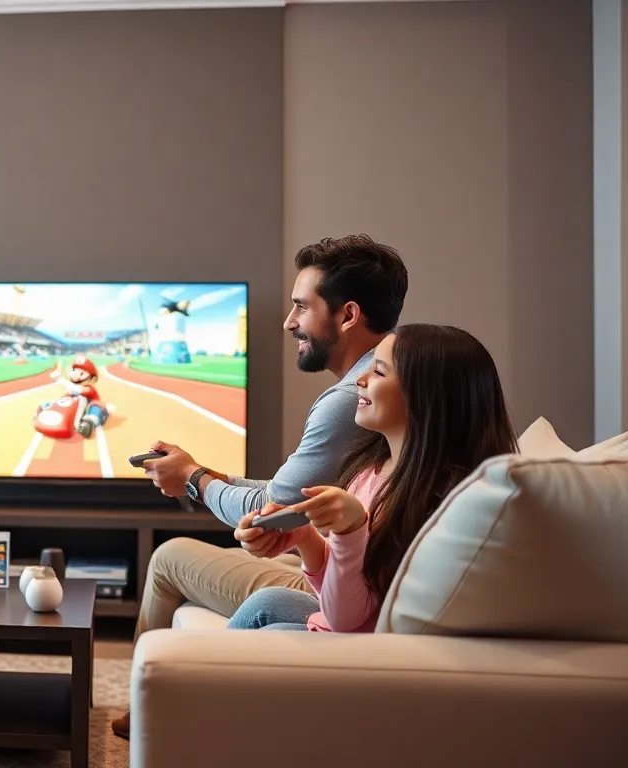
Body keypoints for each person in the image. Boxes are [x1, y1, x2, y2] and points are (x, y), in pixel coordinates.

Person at [112, 234, 407, 739]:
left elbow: (276, 507)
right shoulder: (385, 381)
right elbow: (291, 499)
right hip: (349, 573)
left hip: (352, 591)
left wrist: (193, 482)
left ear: (347, 315)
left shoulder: (350, 398)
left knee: (167, 558)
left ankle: (155, 715)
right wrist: (211, 476)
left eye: (300, 307)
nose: (289, 322)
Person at [226, 324, 517, 631]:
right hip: (355, 625)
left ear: (425, 394)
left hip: (374, 648)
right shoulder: (370, 472)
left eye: (378, 372)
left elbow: (345, 618)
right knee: (266, 602)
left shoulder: (442, 503)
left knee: (274, 632)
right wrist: (306, 539)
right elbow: (345, 589)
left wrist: (352, 529)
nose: (359, 381)